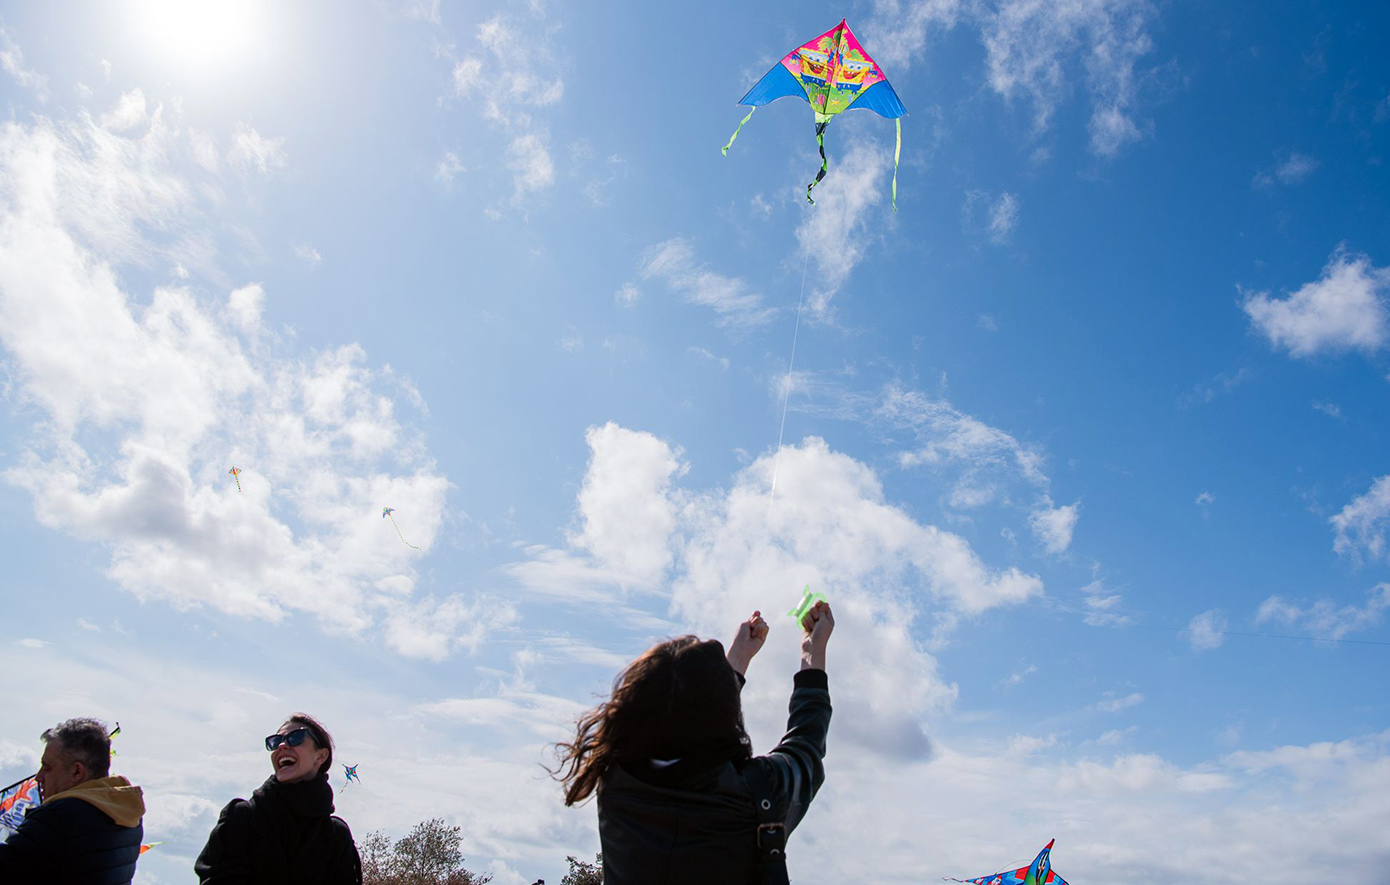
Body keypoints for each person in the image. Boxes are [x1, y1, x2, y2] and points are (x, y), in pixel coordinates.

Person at [556, 601, 834, 885]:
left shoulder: (615, 785)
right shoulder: (756, 790)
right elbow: (805, 745)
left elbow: (685, 719)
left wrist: (735, 661)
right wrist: (812, 651)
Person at [195, 713, 362, 884]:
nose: (282, 745)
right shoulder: (241, 817)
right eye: (275, 741)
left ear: (321, 756)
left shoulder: (336, 835)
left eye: (296, 737)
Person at [0, 717, 146, 884]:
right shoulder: (126, 814)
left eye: (47, 768)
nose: (38, 778)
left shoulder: (60, 817)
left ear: (77, 772)